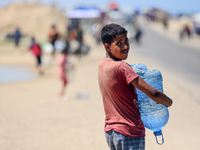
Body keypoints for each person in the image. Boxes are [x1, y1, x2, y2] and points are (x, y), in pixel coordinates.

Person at [98, 23, 173, 150]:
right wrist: (168, 102)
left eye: (126, 41)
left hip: (111, 131)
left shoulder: (103, 65)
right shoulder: (122, 67)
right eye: (119, 43)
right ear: (107, 47)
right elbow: (153, 94)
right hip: (129, 131)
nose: (125, 46)